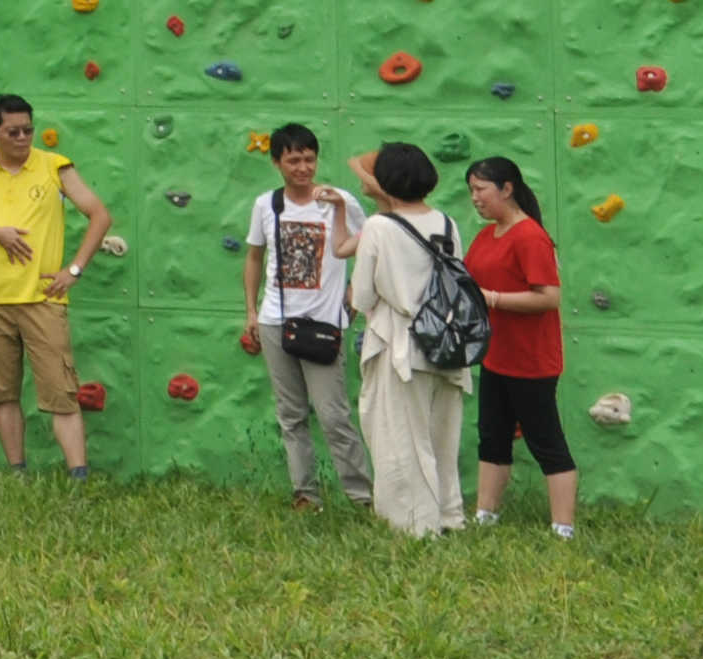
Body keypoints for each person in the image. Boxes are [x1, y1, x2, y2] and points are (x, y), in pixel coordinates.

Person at [0, 91, 110, 480]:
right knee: (2, 393)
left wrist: (73, 271)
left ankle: (79, 477)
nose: (23, 138)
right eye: (13, 132)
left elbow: (99, 215)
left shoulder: (55, 166)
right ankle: (17, 474)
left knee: (61, 393)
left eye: (28, 130)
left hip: (43, 298)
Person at [240, 123, 370, 511]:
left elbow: (371, 246)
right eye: (293, 160)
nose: (303, 168)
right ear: (277, 162)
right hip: (276, 320)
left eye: (309, 159)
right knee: (291, 415)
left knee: (334, 416)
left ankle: (362, 497)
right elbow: (254, 257)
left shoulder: (339, 201)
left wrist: (355, 290)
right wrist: (251, 310)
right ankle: (305, 494)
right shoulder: (266, 205)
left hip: (325, 323)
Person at [347, 142, 471, 536]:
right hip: (448, 341)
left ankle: (415, 526)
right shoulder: (447, 223)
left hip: (400, 342)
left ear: (386, 181)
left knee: (401, 438)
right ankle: (449, 515)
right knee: (443, 437)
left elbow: (362, 296)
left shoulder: (379, 227)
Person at [463, 155, 578, 539]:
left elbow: (548, 297)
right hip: (495, 355)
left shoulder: (530, 236)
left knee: (546, 442)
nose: (475, 198)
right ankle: (485, 515)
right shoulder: (486, 236)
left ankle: (563, 526)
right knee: (492, 436)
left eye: (481, 189)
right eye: (471, 190)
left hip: (531, 360)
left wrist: (492, 299)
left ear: (507, 189)